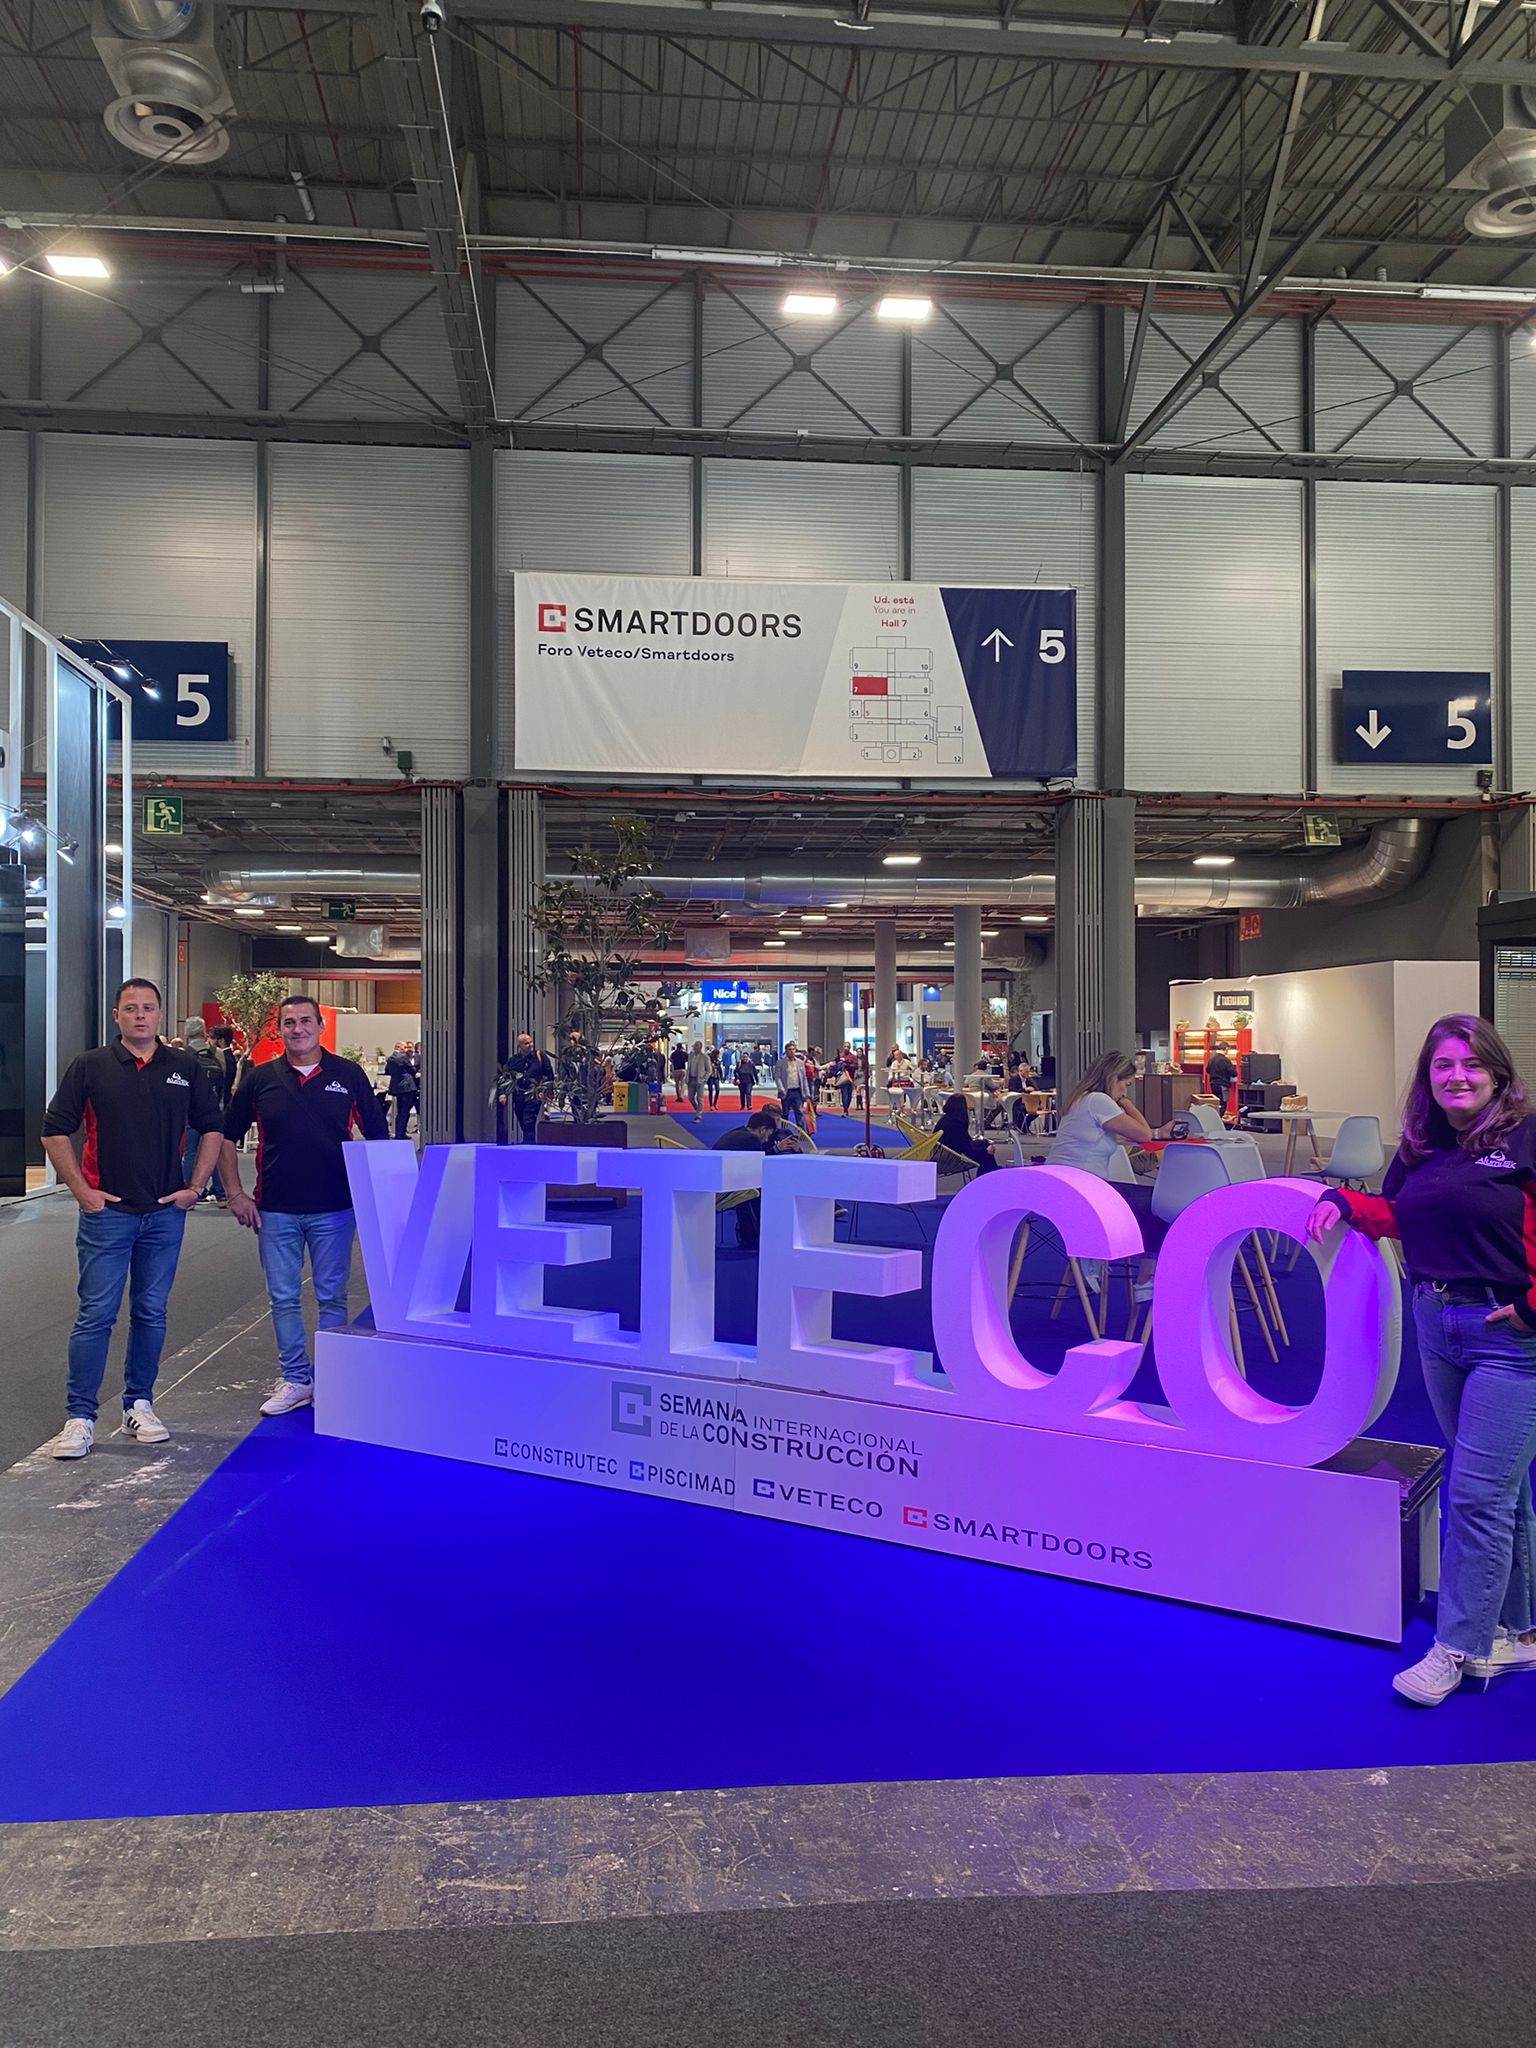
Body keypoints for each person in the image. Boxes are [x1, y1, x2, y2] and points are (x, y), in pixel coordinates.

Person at [1306, 1014, 1536, 1707]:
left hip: (1511, 1338)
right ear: (1428, 1076)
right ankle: (1521, 1630)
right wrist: (1343, 1203)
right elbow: (1400, 1214)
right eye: (1443, 1065)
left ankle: (1459, 1648)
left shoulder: (1526, 1136)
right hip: (1438, 1325)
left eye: (1471, 1064)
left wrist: (1532, 1309)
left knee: (1476, 1494)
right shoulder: (1422, 1144)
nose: (1457, 1076)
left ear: (1497, 1072)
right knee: (1501, 1488)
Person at [42, 978, 225, 1460]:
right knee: (95, 1314)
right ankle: (80, 1417)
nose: (140, 1015)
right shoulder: (91, 1066)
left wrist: (195, 1187)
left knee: (151, 1312)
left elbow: (212, 1127)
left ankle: (138, 1405)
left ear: (160, 1015)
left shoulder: (184, 1066)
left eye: (147, 1008)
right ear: (117, 1016)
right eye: (130, 1008)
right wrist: (81, 1191)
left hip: (164, 1215)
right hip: (107, 1215)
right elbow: (54, 1129)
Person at [221, 995, 390, 1417]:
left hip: (335, 1208)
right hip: (275, 1209)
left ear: (321, 1026)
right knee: (282, 1297)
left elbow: (378, 1137)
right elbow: (224, 1137)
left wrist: (380, 1200)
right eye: (289, 1022)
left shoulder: (347, 1075)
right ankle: (296, 1379)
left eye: (305, 1021)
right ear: (280, 1029)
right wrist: (235, 1194)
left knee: (331, 1295)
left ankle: (332, 1379)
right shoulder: (260, 1079)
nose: (297, 1029)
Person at [1049, 1051, 1177, 1304]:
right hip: (1085, 1188)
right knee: (1160, 1203)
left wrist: (1155, 1132)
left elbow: (1123, 1134)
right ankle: (1145, 1276)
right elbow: (1142, 1135)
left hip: (1062, 1184)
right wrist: (1126, 1104)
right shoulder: (1100, 1101)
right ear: (1113, 1078)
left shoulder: (1082, 1100)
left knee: (1149, 1202)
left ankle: (1119, 1261)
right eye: (1125, 1085)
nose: (1124, 1091)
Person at [711, 1108, 780, 1247]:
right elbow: (760, 1165)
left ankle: (750, 1234)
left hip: (715, 1182)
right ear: (762, 1129)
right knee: (762, 1190)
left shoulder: (737, 1132)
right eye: (768, 1134)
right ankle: (760, 1236)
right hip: (722, 1190)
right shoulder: (751, 1139)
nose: (767, 1139)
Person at [502, 1032, 554, 1144]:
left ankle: (528, 1144)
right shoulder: (513, 1060)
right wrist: (503, 1093)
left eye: (531, 1042)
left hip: (534, 1095)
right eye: (526, 1043)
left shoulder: (539, 1056)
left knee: (528, 1121)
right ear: (519, 1046)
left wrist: (548, 1090)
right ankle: (528, 1141)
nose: (530, 1045)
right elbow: (506, 1078)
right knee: (522, 1119)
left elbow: (549, 1073)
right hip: (519, 1096)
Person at [936, 1093, 998, 1176]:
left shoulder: (946, 1120)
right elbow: (966, 1147)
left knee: (985, 1145)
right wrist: (985, 1149)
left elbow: (964, 1142)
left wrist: (984, 1143)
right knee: (986, 1156)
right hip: (951, 1157)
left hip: (946, 1154)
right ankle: (992, 1173)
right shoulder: (956, 1124)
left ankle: (990, 1174)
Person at [384, 1038, 420, 1140]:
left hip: (397, 1087)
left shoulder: (390, 1058)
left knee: (400, 1111)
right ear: (399, 1047)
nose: (406, 1049)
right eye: (404, 1047)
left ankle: (398, 1132)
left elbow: (387, 1071)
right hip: (407, 1087)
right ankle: (401, 1133)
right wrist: (416, 1072)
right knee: (405, 1111)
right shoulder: (402, 1057)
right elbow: (411, 1069)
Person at [775, 1042, 809, 1129]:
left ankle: (801, 1132)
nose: (791, 1051)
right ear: (786, 1051)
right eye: (789, 1049)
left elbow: (804, 1078)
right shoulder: (780, 1062)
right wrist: (781, 1088)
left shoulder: (800, 1063)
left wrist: (807, 1093)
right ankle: (783, 1131)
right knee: (785, 1113)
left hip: (797, 1091)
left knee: (799, 1112)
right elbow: (777, 1077)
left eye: (793, 1049)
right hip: (786, 1091)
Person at [1205, 1044, 1236, 1119]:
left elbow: (1207, 1070)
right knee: (1223, 1103)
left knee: (1216, 1103)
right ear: (1225, 1049)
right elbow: (1233, 1072)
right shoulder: (1225, 1060)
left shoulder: (1212, 1059)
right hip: (1223, 1085)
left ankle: (1214, 1118)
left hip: (1213, 1084)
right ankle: (1218, 1119)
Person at [685, 1040, 710, 1119]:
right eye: (694, 1046)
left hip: (699, 1080)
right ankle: (697, 1109)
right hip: (691, 1079)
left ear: (700, 1047)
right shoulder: (690, 1056)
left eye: (696, 1046)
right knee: (690, 1097)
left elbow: (709, 1070)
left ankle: (698, 1114)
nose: (695, 1047)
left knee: (700, 1098)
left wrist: (704, 1079)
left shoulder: (705, 1057)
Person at [837, 1047, 856, 1115]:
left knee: (849, 1095)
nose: (846, 1048)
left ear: (849, 1048)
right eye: (845, 1046)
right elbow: (836, 1065)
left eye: (847, 1047)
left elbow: (856, 1066)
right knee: (844, 1094)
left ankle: (847, 1107)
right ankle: (845, 1109)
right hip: (843, 1077)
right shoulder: (840, 1055)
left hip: (851, 1078)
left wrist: (848, 1065)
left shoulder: (853, 1057)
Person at [707, 1044, 723, 1109]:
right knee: (710, 1091)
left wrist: (721, 1077)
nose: (718, 1055)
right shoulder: (709, 1060)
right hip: (710, 1077)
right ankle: (711, 1105)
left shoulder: (718, 1060)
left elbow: (719, 1069)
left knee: (717, 1090)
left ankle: (715, 1103)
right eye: (718, 1054)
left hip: (716, 1077)